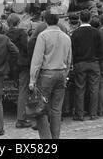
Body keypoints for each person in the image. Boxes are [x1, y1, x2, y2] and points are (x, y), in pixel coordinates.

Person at [29, 10, 72, 139]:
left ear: (45, 20)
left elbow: (37, 60)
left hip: (46, 75)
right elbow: (69, 60)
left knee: (40, 109)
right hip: (61, 74)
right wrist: (65, 74)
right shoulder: (66, 37)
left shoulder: (43, 36)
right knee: (56, 110)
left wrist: (32, 79)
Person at [71, 10, 101, 120]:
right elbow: (99, 48)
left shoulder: (76, 33)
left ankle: (80, 114)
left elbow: (73, 50)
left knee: (80, 89)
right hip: (94, 62)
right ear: (90, 19)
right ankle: (93, 113)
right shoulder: (96, 32)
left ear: (80, 19)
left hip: (80, 63)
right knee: (94, 89)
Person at [6, 13, 31, 129]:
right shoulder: (22, 33)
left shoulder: (5, 35)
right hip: (23, 65)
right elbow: (26, 48)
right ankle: (21, 119)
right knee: (23, 91)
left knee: (20, 89)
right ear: (18, 22)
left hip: (12, 66)